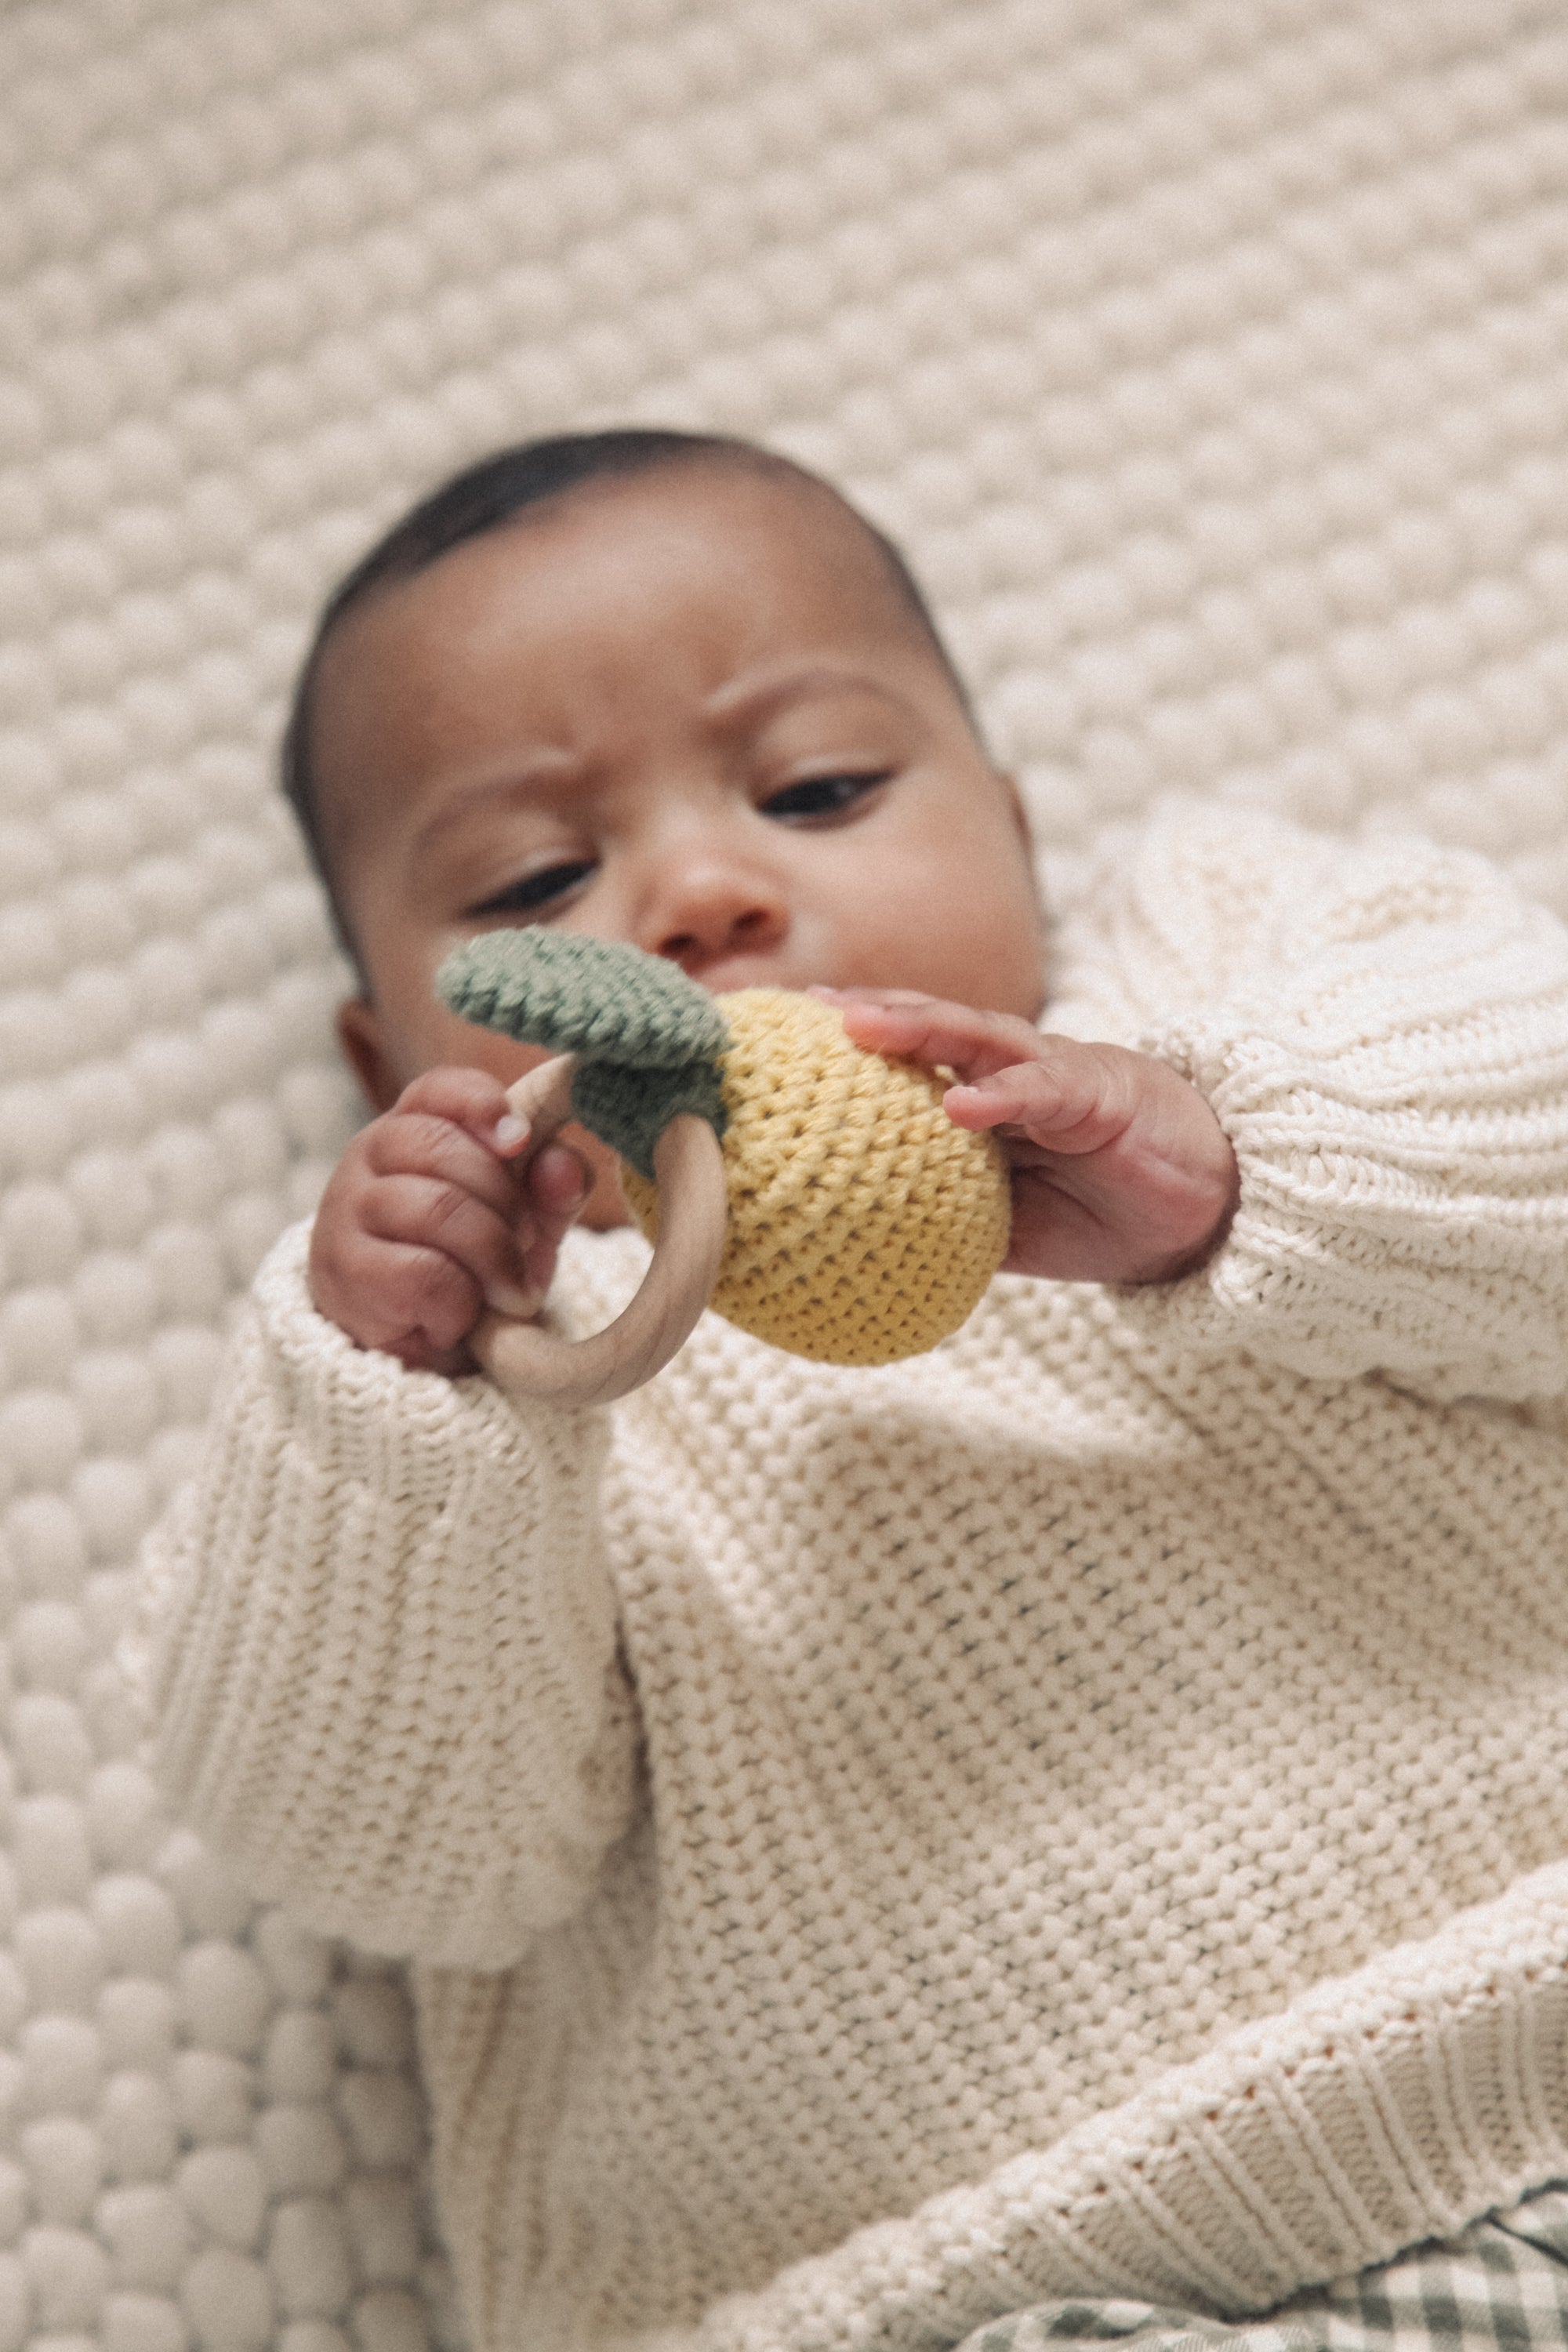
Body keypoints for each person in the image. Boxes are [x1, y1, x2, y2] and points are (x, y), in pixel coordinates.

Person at [131, 430, 1568, 2352]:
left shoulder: (1217, 975)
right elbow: (382, 1855)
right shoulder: (468, 1355)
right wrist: (402, 1390)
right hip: (1000, 2283)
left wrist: (1238, 1162)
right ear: (378, 1040)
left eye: (816, 787)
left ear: (1020, 827)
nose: (698, 897)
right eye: (538, 876)